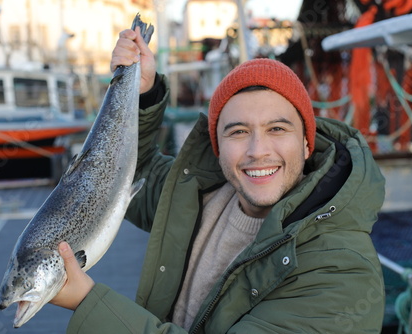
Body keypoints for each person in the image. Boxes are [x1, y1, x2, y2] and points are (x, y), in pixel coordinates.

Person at [50, 26, 386, 333]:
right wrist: (142, 94)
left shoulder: (343, 271)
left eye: (277, 129)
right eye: (238, 132)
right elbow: (123, 179)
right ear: (217, 147)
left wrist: (88, 302)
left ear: (306, 142)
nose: (258, 150)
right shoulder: (196, 198)